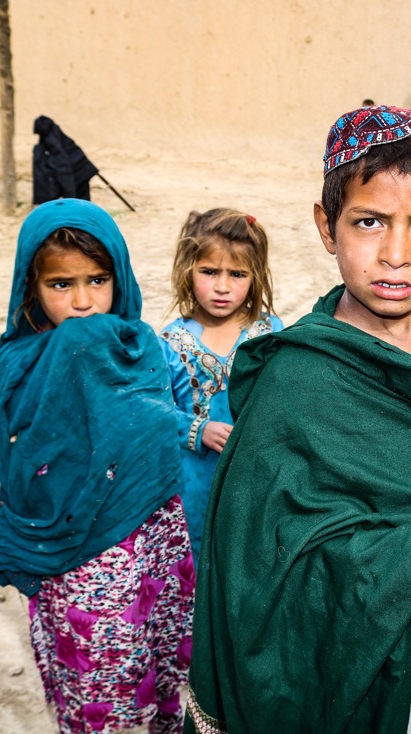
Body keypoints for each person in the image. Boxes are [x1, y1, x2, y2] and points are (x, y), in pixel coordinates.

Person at [185, 106, 411, 734]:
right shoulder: (295, 378)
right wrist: (398, 573)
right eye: (370, 221)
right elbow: (257, 550)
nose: (396, 254)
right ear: (328, 227)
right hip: (346, 666)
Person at [0, 199, 194, 734]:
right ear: (31, 286)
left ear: (120, 275)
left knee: (159, 671)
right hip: (79, 561)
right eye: (61, 285)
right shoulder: (23, 360)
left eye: (97, 279)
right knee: (101, 690)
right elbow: (25, 457)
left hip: (150, 542)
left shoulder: (142, 348)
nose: (83, 302)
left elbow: (159, 435)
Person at [159, 208, 283, 558]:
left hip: (256, 480)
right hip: (193, 484)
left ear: (255, 275)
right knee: (197, 559)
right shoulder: (169, 342)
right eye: (209, 271)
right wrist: (198, 429)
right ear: (188, 269)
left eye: (237, 274)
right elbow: (155, 413)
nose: (223, 286)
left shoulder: (269, 332)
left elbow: (289, 401)